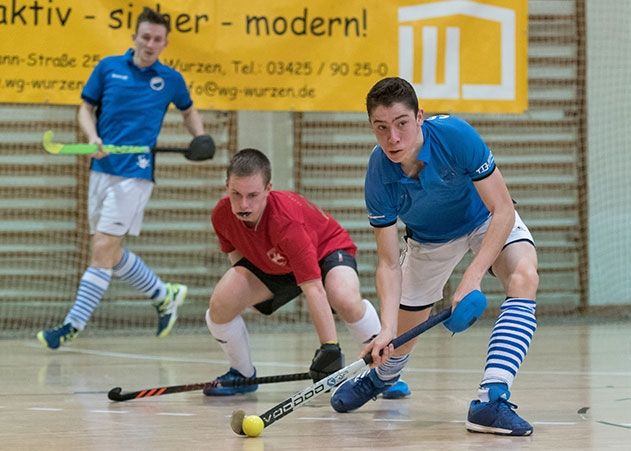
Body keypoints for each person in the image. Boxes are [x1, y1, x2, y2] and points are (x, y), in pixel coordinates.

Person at [330, 77, 539, 436]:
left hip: (484, 220)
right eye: (381, 128)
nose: (393, 138)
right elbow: (387, 261)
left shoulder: (456, 136)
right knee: (401, 341)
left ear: (419, 117)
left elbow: (502, 209)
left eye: (401, 124)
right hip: (429, 241)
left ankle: (491, 399)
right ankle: (383, 377)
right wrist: (387, 331)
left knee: (524, 277)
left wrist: (471, 278)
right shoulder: (379, 176)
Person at [37, 7, 207, 349]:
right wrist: (92, 137)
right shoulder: (108, 68)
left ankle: (71, 326)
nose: (150, 43)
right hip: (102, 169)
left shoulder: (170, 79)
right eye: (145, 36)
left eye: (157, 39)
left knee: (101, 248)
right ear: (134, 37)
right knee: (110, 252)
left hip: (136, 172)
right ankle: (164, 293)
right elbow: (85, 108)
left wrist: (200, 138)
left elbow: (188, 110)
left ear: (165, 43)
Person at [203, 148, 408, 398]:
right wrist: (250, 294)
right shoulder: (221, 215)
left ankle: (386, 373)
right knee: (221, 305)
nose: (244, 205)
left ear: (269, 188)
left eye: (253, 195)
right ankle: (242, 375)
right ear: (226, 186)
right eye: (236, 194)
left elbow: (313, 288)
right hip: (277, 263)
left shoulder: (286, 223)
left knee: (343, 298)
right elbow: (239, 258)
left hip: (326, 252)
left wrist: (329, 348)